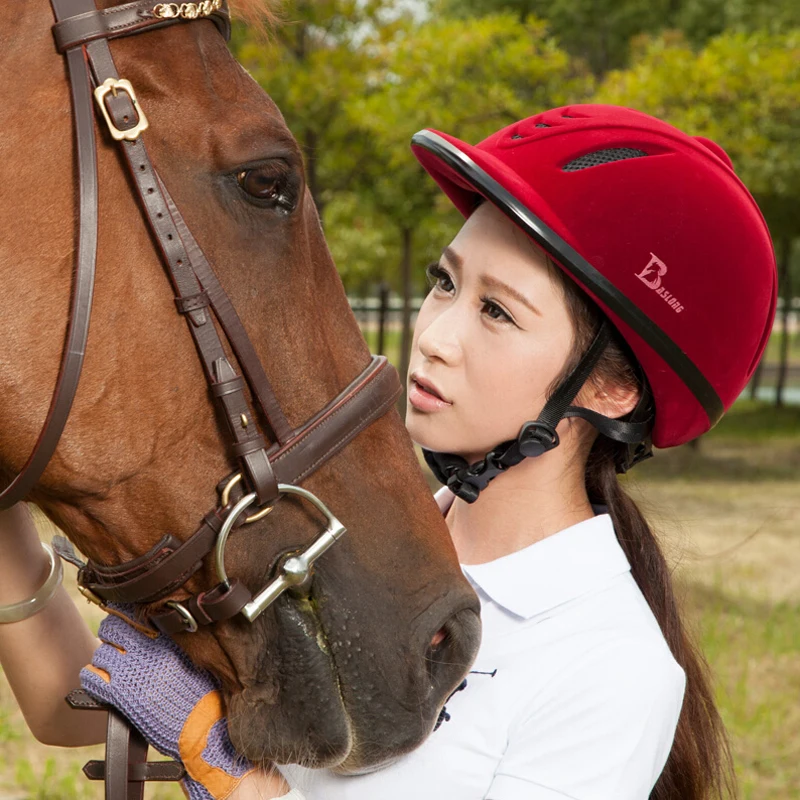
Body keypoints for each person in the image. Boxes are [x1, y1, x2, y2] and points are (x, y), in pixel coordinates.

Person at [0, 104, 777, 800]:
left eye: (497, 312)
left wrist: (238, 783)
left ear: (611, 392)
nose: (433, 338)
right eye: (445, 282)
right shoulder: (343, 536)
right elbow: (69, 704)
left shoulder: (614, 670)